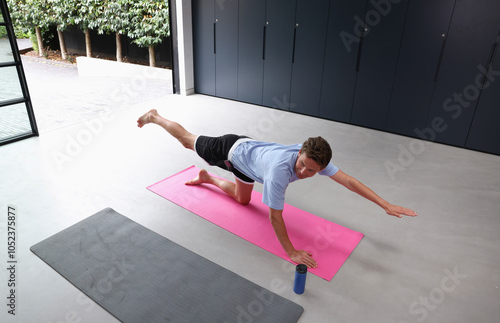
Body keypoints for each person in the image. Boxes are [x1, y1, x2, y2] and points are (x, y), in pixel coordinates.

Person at [137, 109, 417, 268]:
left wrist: (385, 204)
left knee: (242, 200)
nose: (304, 172)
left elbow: (349, 181)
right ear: (300, 153)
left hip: (248, 164)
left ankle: (207, 179)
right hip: (229, 150)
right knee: (187, 140)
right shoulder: (278, 174)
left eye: (312, 171)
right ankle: (156, 117)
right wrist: (292, 252)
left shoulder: (312, 155)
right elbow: (274, 216)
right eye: (303, 165)